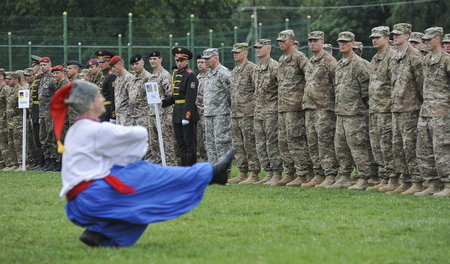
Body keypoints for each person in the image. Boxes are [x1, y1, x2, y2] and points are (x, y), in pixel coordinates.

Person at [50, 80, 235, 247]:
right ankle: (211, 173)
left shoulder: (76, 130)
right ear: (90, 103)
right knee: (146, 172)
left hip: (78, 204)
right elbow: (139, 135)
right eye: (99, 95)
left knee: (143, 203)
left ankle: (101, 234)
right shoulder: (96, 130)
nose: (102, 98)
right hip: (93, 198)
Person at [327, 31, 375, 190]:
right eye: (340, 41)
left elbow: (367, 91)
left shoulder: (359, 64)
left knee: (358, 147)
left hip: (355, 114)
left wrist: (362, 109)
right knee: (341, 147)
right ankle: (345, 176)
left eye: (346, 42)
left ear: (353, 43)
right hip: (341, 113)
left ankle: (363, 177)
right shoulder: (340, 64)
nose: (342, 44)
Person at [383, 23, 424, 193]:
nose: (395, 36)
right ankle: (405, 181)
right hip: (396, 109)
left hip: (411, 109)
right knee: (397, 146)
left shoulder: (415, 57)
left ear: (407, 35)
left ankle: (417, 181)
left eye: (399, 34)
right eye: (394, 34)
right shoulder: (394, 57)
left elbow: (422, 84)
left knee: (410, 146)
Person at [275, 29, 313, 186]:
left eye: (283, 41)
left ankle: (303, 173)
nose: (280, 44)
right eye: (279, 41)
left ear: (291, 41)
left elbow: (310, 76)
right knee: (284, 141)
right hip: (283, 107)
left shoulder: (299, 57)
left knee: (296, 140)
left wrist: (303, 98)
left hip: (295, 107)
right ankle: (290, 172)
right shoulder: (282, 59)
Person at [415, 27, 450, 197]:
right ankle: (432, 183)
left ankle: (448, 184)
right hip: (426, 110)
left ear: (438, 39)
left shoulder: (446, 60)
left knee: (442, 149)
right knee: (424, 149)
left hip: (441, 112)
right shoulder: (426, 59)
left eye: (429, 39)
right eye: (425, 39)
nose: (426, 42)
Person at [302, 31, 339, 188]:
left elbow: (336, 83)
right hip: (310, 108)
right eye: (310, 40)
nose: (312, 43)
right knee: (313, 142)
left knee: (325, 142)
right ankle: (318, 173)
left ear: (322, 42)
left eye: (315, 40)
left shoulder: (329, 61)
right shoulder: (310, 62)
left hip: (324, 108)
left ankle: (330, 174)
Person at [366, 26, 397, 192]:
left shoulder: (392, 57)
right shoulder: (376, 58)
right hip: (375, 109)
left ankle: (393, 178)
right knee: (377, 146)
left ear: (387, 38)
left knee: (387, 145)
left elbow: (396, 84)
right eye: (373, 37)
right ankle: (384, 177)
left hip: (386, 109)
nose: (374, 39)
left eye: (378, 37)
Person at [226, 43, 260, 184]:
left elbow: (257, 90)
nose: (235, 54)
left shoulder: (251, 68)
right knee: (238, 145)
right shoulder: (234, 70)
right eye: (234, 52)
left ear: (245, 52)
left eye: (238, 52)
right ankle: (242, 171)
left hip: (247, 113)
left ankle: (254, 173)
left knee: (249, 144)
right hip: (235, 113)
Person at [251, 39, 283, 185]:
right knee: (260, 144)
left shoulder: (275, 67)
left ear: (268, 48)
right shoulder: (256, 69)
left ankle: (277, 172)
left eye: (260, 47)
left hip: (271, 111)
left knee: (272, 143)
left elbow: (281, 89)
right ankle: (268, 172)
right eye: (256, 48)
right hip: (258, 111)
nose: (257, 50)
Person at [162, 46, 199, 166]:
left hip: (187, 113)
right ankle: (184, 169)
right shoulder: (176, 74)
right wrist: (161, 102)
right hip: (177, 112)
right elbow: (175, 97)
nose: (179, 63)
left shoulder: (190, 75)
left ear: (187, 61)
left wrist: (187, 116)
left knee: (190, 144)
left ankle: (191, 170)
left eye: (181, 60)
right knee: (181, 144)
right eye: (177, 60)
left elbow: (190, 98)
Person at [202, 48, 232, 164]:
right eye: (205, 59)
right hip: (209, 113)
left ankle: (224, 170)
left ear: (216, 58)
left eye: (208, 59)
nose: (206, 61)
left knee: (221, 143)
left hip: (221, 113)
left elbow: (231, 92)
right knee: (210, 143)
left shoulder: (223, 73)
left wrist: (226, 108)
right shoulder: (209, 74)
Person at [147, 50, 177, 165]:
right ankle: (158, 165)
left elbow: (170, 95)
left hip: (163, 114)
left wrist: (161, 103)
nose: (152, 61)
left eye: (155, 59)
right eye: (151, 59)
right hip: (152, 113)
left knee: (166, 141)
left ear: (160, 59)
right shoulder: (151, 76)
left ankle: (169, 165)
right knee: (154, 142)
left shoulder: (164, 75)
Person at [108, 56, 133, 125]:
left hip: (127, 115)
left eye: (114, 67)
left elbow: (131, 98)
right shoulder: (117, 78)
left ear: (121, 65)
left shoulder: (129, 77)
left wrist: (129, 113)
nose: (113, 69)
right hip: (118, 114)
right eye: (112, 67)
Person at [94, 50, 116, 122]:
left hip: (107, 110)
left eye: (103, 62)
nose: (100, 64)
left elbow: (113, 95)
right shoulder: (103, 74)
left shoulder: (111, 75)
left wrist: (113, 113)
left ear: (109, 62)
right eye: (99, 62)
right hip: (101, 108)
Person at [196, 55, 208, 160]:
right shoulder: (197, 77)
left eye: (202, 62)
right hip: (198, 113)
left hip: (208, 112)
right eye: (198, 62)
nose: (199, 64)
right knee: (200, 139)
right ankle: (205, 160)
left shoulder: (211, 76)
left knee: (208, 138)